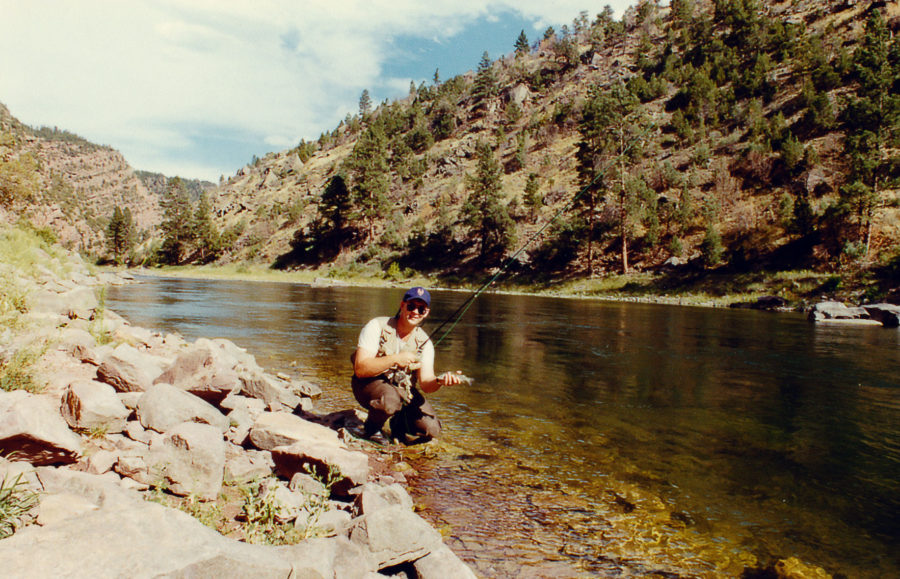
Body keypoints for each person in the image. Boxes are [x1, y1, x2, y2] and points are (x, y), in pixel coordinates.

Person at [351, 286, 463, 443]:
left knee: (431, 429)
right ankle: (370, 429)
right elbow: (360, 369)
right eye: (411, 306)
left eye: (421, 309)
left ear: (426, 313)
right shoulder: (376, 326)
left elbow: (426, 384)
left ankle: (398, 426)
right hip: (367, 385)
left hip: (403, 391)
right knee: (390, 401)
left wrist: (440, 381)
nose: (415, 312)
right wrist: (395, 359)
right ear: (402, 305)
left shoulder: (426, 344)